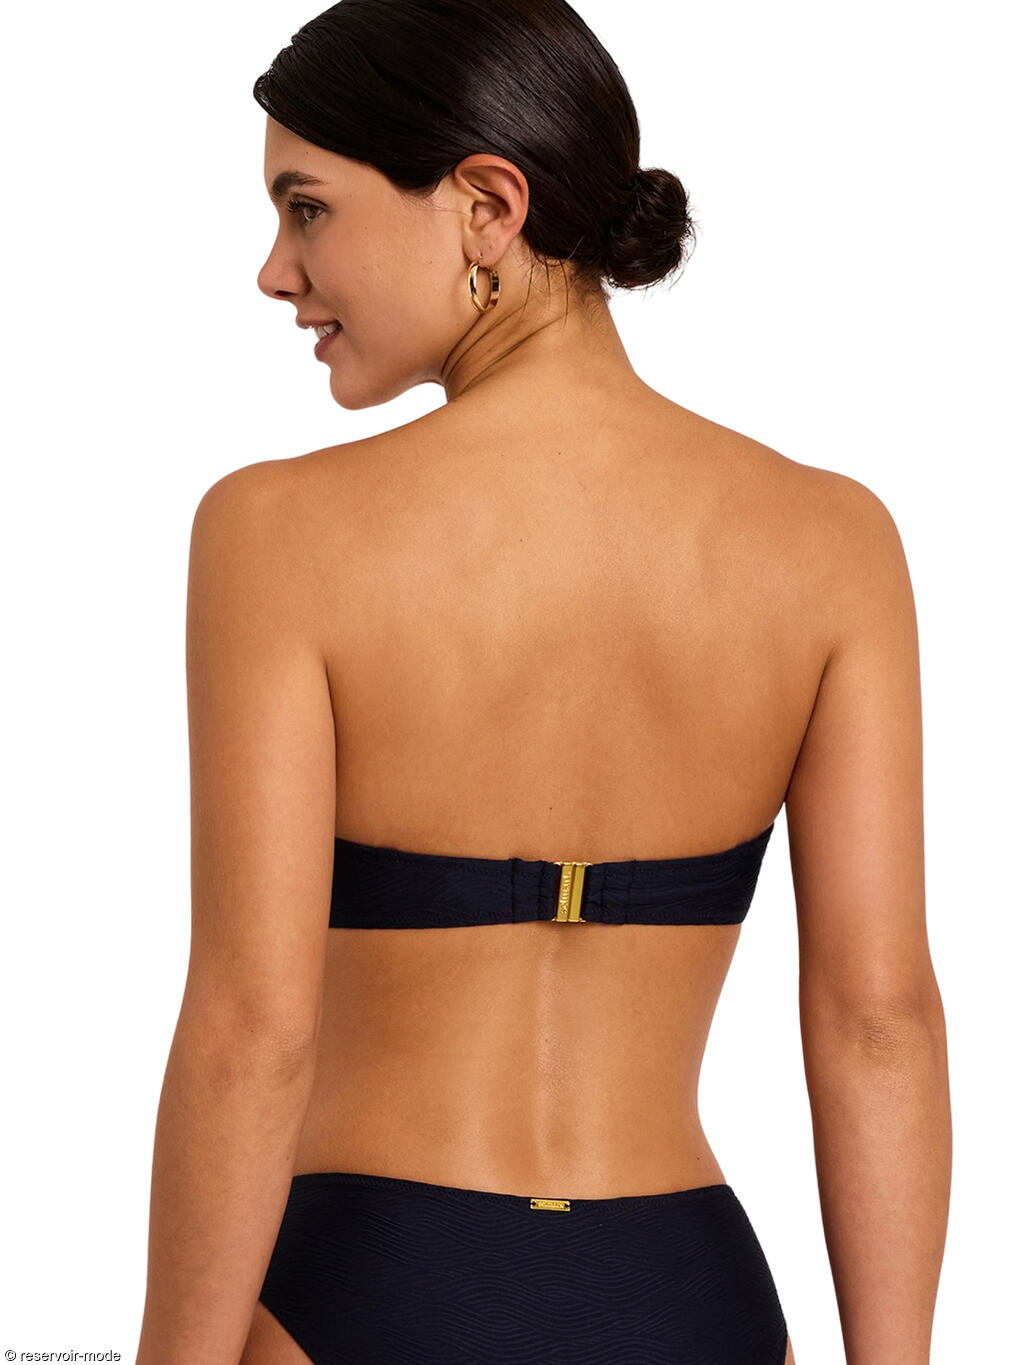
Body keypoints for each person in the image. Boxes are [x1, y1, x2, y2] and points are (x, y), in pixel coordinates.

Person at [134, 2, 952, 1362]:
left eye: (307, 207)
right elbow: (880, 1019)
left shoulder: (275, 534)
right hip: (687, 1295)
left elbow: (249, 1034)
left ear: (486, 207)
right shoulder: (832, 542)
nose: (276, 272)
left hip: (371, 1281)